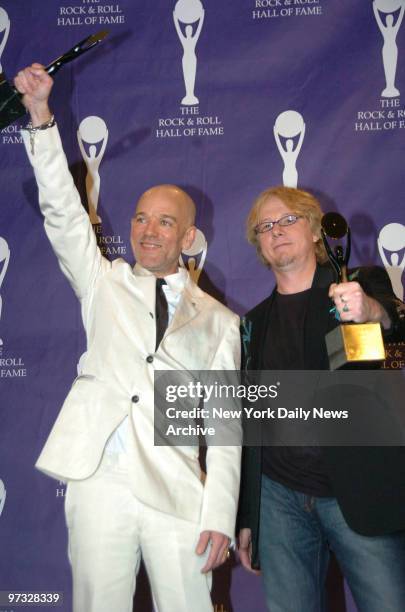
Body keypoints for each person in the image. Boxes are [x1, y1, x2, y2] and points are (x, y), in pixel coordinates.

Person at [15, 64, 241, 612]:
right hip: (100, 479)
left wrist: (219, 517)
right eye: (141, 218)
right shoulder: (103, 282)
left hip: (177, 485)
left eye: (165, 222)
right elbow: (64, 216)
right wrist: (41, 117)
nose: (148, 230)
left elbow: (227, 430)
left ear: (188, 237)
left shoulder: (219, 320)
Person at [237, 186, 405, 612]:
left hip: (358, 485)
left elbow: (391, 324)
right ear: (259, 244)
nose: (276, 231)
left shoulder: (356, 285)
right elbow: (249, 422)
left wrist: (370, 312)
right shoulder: (252, 323)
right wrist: (246, 516)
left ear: (314, 230)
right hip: (279, 499)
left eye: (288, 219)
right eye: (265, 227)